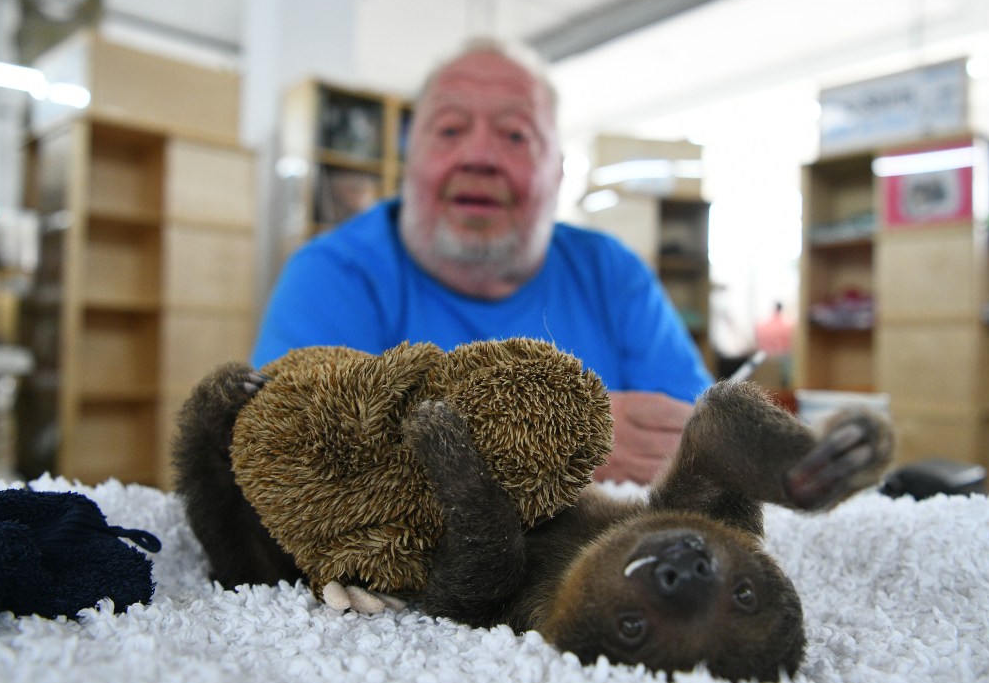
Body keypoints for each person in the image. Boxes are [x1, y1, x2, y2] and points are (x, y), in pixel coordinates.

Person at [251, 37, 713, 485]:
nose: (479, 156)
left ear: (558, 173)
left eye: (516, 135)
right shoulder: (333, 275)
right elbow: (288, 463)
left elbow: (698, 443)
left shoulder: (611, 274)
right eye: (450, 130)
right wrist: (551, 445)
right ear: (410, 160)